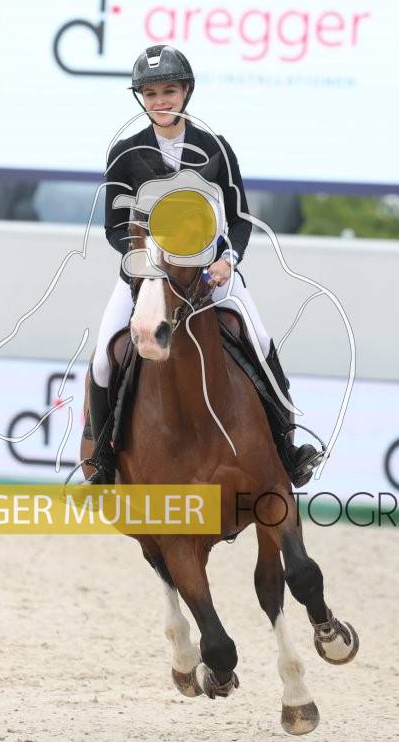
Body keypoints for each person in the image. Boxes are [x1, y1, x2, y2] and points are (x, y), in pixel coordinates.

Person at [86, 44, 319, 487]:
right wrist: (146, 265)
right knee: (103, 359)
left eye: (169, 91)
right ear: (141, 98)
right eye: (150, 93)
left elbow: (239, 217)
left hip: (211, 272)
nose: (160, 101)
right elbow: (115, 227)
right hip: (146, 277)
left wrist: (228, 260)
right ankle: (102, 461)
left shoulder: (215, 148)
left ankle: (288, 452)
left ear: (186, 91)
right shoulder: (125, 153)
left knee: (260, 339)